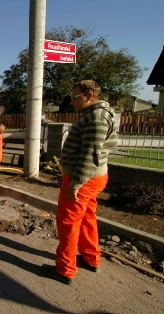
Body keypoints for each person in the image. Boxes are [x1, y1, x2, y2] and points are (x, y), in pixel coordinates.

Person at [44, 80, 118, 286]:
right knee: (86, 218)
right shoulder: (99, 114)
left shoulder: (95, 118)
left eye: (75, 97)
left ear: (89, 95)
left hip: (83, 178)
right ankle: (90, 258)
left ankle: (65, 269)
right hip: (92, 178)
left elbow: (90, 154)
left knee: (68, 222)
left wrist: (75, 184)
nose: (72, 102)